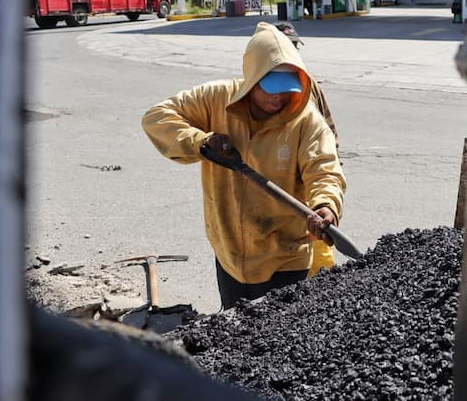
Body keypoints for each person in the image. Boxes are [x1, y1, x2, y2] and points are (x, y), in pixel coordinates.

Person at [142, 22, 346, 310]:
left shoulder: (306, 121)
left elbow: (324, 169)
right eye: (270, 88)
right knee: (234, 327)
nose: (277, 97)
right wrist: (201, 142)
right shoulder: (216, 100)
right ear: (252, 78)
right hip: (230, 255)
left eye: (285, 89)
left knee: (281, 330)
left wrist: (326, 205)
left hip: (285, 259)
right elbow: (156, 118)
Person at [273, 21, 339, 278]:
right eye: (286, 47)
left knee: (320, 264)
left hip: (308, 191)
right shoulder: (258, 87)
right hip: (276, 192)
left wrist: (327, 184)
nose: (292, 53)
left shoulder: (309, 85)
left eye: (294, 47)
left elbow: (329, 135)